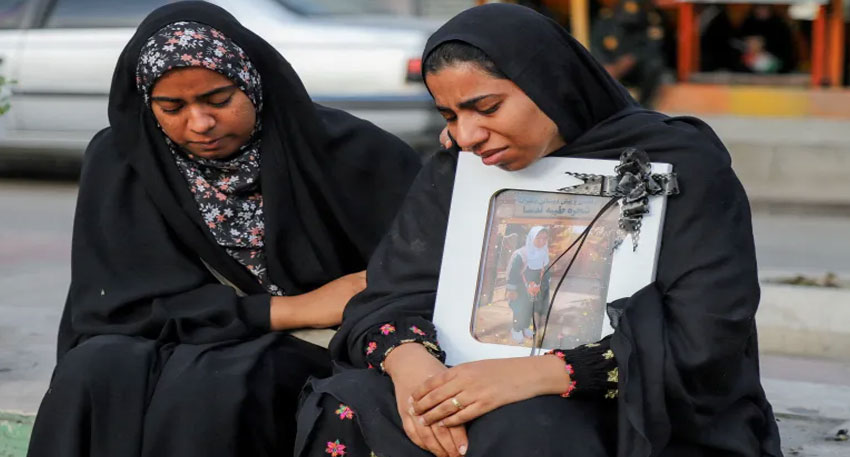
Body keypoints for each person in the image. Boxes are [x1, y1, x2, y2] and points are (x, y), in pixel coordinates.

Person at [296, 4, 782, 457]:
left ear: (550, 84)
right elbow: (393, 294)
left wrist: (534, 375)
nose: (467, 135)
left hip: (628, 400)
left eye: (487, 108)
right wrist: (413, 370)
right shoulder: (460, 168)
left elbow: (705, 337)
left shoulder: (679, 166)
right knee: (351, 400)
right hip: (465, 376)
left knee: (527, 423)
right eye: (450, 116)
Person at [26, 2, 420, 457]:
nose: (200, 124)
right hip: (178, 332)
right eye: (171, 107)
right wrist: (292, 308)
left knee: (222, 384)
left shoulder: (352, 153)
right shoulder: (122, 160)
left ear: (252, 82)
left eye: (218, 100)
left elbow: (417, 274)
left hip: (313, 345)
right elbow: (114, 307)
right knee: (92, 371)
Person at [505, 226, 551, 344]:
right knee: (519, 309)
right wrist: (512, 290)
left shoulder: (544, 253)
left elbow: (546, 271)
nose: (541, 241)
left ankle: (525, 328)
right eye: (538, 238)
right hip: (521, 288)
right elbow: (513, 272)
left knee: (530, 309)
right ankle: (516, 329)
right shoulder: (521, 254)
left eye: (544, 238)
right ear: (531, 238)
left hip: (535, 288)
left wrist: (544, 287)